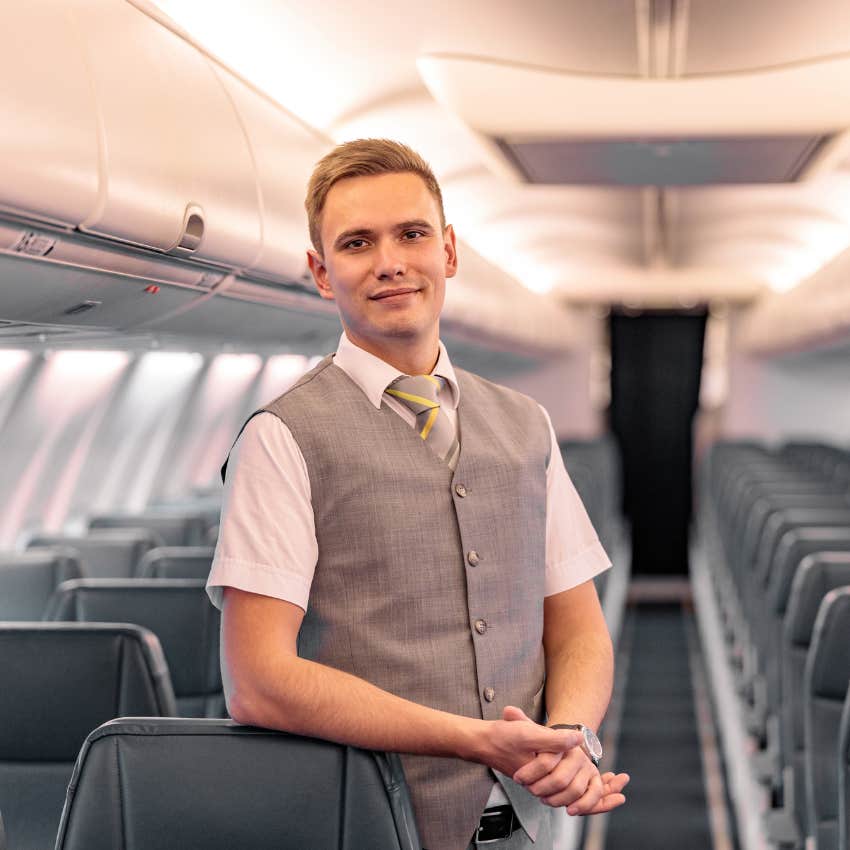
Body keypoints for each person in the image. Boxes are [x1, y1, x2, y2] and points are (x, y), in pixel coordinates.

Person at [208, 138, 629, 850]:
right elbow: (259, 681)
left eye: (412, 234)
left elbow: (579, 630)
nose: (390, 262)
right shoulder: (281, 437)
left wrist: (570, 736)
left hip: (523, 831)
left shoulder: (527, 425)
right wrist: (473, 739)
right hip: (363, 825)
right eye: (357, 243)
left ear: (449, 251)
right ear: (321, 272)